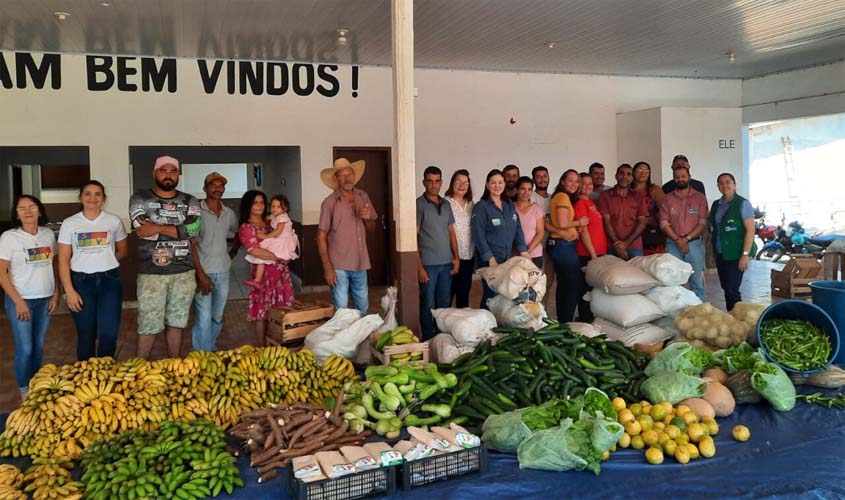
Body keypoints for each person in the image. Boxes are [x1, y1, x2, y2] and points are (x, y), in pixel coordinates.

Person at [129, 156, 201, 360]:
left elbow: (194, 229)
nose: (168, 175)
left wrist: (158, 228)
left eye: (173, 171)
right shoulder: (139, 198)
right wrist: (179, 231)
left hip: (184, 272)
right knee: (148, 325)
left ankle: (173, 366)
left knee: (177, 323)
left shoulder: (190, 200)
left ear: (178, 174)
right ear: (154, 173)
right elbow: (142, 228)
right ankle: (140, 368)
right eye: (163, 170)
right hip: (151, 274)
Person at [58, 180, 127, 360]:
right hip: (81, 283)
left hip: (110, 282)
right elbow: (63, 260)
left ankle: (105, 372)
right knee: (86, 333)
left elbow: (123, 250)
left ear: (103, 198)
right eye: (87, 194)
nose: (92, 198)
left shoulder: (113, 221)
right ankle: (86, 373)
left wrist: (105, 260)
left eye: (98, 194)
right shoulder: (70, 223)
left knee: (108, 334)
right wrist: (69, 291)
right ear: (81, 197)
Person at [0, 195, 60, 401]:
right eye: (22, 208)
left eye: (32, 207)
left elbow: (54, 266)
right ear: (16, 214)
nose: (27, 211)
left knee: (38, 345)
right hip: (20, 300)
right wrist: (18, 302)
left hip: (45, 300)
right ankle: (25, 390)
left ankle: (36, 384)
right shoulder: (9, 237)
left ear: (40, 211)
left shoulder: (48, 235)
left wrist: (56, 293)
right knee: (25, 347)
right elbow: (2, 273)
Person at [317, 158, 378, 314]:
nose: (347, 179)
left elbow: (372, 228)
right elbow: (321, 236)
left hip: (360, 262)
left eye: (349, 174)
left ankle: (360, 331)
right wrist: (327, 268)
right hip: (338, 266)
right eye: (342, 175)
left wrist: (368, 219)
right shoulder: (329, 202)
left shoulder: (363, 196)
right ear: (336, 178)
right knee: (341, 312)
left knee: (363, 309)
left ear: (354, 176)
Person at [238, 190, 295, 346]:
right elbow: (254, 251)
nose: (259, 206)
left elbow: (285, 237)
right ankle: (262, 348)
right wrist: (278, 257)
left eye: (262, 202)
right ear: (248, 205)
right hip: (264, 277)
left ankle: (280, 346)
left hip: (281, 274)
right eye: (255, 203)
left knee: (281, 311)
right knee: (262, 313)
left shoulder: (271, 221)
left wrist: (287, 255)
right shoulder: (246, 227)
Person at [191, 172, 239, 352]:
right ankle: (202, 354)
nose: (217, 189)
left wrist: (233, 252)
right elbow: (191, 245)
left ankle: (209, 349)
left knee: (217, 316)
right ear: (205, 188)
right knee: (203, 316)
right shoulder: (196, 212)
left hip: (223, 271)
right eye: (213, 185)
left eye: (221, 186)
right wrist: (200, 274)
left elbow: (238, 232)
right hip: (203, 271)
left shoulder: (228, 213)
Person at [471, 169, 530, 309]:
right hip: (490, 258)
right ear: (487, 185)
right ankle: (486, 320)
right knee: (491, 294)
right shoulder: (481, 207)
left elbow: (517, 228)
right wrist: (489, 258)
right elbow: (478, 234)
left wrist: (523, 250)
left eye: (500, 182)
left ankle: (498, 320)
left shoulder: (508, 204)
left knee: (503, 294)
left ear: (504, 184)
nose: (497, 185)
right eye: (493, 182)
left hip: (507, 257)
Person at [416, 166, 460, 340]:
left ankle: (442, 339)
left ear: (441, 182)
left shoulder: (446, 204)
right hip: (428, 265)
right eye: (430, 181)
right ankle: (428, 339)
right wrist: (419, 267)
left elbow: (451, 232)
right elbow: (413, 237)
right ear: (424, 183)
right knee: (427, 303)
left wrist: (456, 258)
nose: (434, 185)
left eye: (437, 181)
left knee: (444, 304)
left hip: (446, 263)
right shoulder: (419, 204)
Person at [660, 166, 709, 301]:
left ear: (689, 177)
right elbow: (664, 222)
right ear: (673, 179)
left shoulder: (699, 198)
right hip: (673, 245)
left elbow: (702, 223)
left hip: (694, 245)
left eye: (683, 176)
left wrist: (686, 239)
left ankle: (699, 309)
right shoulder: (668, 198)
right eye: (677, 177)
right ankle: (678, 310)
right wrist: (678, 239)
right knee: (673, 283)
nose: (680, 179)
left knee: (696, 283)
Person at [710, 173, 755, 311]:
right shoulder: (716, 205)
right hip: (721, 252)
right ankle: (732, 315)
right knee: (726, 287)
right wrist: (711, 253)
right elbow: (713, 229)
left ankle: (738, 317)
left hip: (736, 253)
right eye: (721, 183)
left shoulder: (743, 203)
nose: (724, 185)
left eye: (728, 182)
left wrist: (745, 255)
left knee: (732, 288)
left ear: (734, 185)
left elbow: (750, 230)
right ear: (718, 186)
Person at [548, 169, 587, 322]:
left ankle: (563, 321)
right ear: (562, 182)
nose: (574, 184)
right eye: (570, 180)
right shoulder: (563, 196)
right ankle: (567, 322)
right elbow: (563, 223)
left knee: (564, 285)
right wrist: (580, 222)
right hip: (563, 246)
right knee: (572, 286)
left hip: (562, 245)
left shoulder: (562, 197)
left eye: (576, 181)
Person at [244, 194, 299, 288]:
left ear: (285, 209)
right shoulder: (275, 216)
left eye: (278, 206)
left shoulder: (283, 217)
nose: (274, 209)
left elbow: (278, 231)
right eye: (273, 206)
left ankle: (257, 280)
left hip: (282, 241)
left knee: (264, 253)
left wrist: (265, 236)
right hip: (278, 239)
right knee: (262, 255)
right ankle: (257, 280)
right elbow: (267, 218)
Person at [574, 173, 607, 322]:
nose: (588, 186)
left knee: (594, 289)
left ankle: (592, 317)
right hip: (587, 253)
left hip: (599, 251)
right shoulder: (580, 203)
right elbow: (583, 231)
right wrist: (593, 255)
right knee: (585, 288)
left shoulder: (590, 202)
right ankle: (585, 318)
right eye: (584, 183)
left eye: (590, 183)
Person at [597, 164, 648, 260]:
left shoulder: (638, 197)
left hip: (634, 246)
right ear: (616, 176)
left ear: (632, 178)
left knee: (637, 270)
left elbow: (642, 223)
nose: (625, 176)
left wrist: (626, 244)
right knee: (612, 270)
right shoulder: (605, 195)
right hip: (612, 245)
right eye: (621, 173)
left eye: (628, 174)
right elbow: (606, 222)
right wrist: (619, 246)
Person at [445, 169, 475, 308]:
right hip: (451, 256)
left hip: (469, 256)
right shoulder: (446, 203)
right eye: (458, 182)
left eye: (465, 183)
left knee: (464, 293)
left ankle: (461, 320)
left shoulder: (471, 204)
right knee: (448, 294)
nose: (462, 185)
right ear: (452, 183)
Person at [632, 161, 666, 255]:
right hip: (630, 233)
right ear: (633, 172)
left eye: (646, 171)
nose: (643, 173)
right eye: (640, 170)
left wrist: (649, 220)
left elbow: (664, 211)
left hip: (652, 235)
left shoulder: (655, 189)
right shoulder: (627, 189)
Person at [514, 177, 546, 269]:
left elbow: (540, 232)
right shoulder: (510, 208)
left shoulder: (537, 209)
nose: (526, 192)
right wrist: (521, 251)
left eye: (529, 189)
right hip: (515, 254)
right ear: (517, 190)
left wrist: (526, 251)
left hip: (534, 254)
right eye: (523, 189)